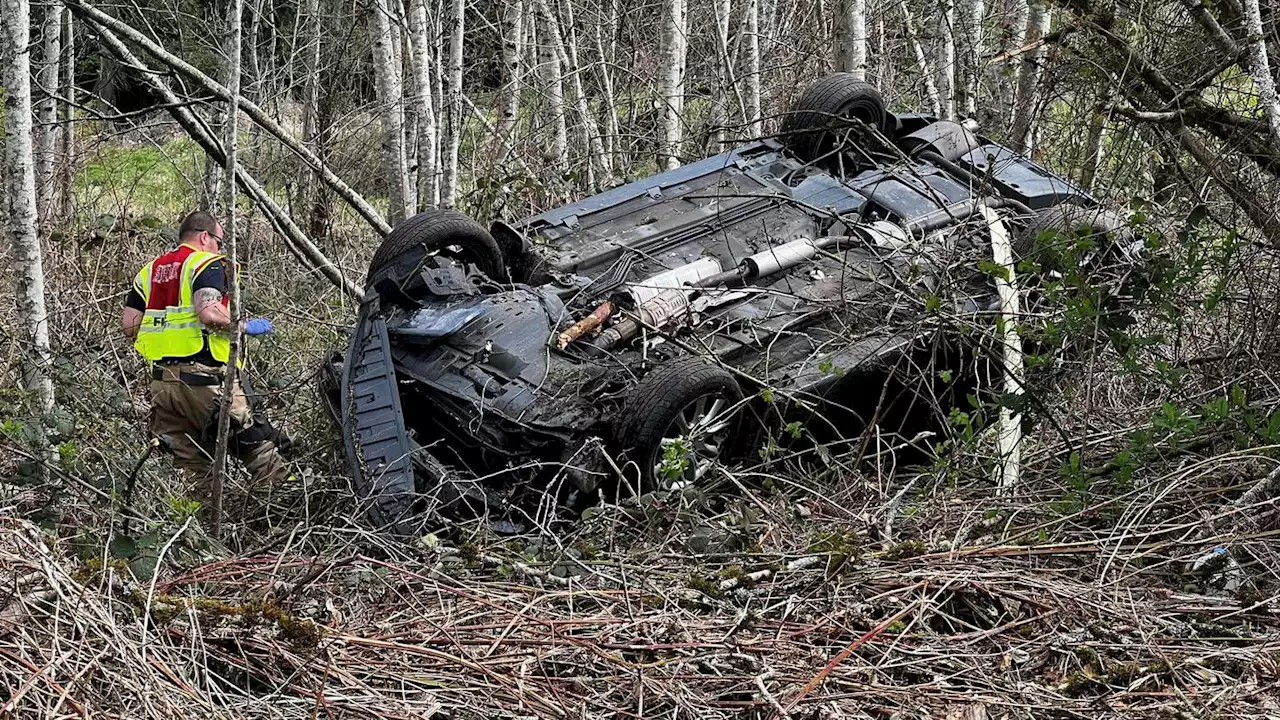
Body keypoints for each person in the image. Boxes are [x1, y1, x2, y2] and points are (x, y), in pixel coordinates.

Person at [121, 210, 292, 516]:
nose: (220, 247)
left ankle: (201, 537)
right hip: (206, 382)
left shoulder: (149, 271)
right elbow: (210, 313)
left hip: (163, 385)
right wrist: (244, 325)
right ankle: (282, 517)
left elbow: (130, 327)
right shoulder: (209, 264)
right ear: (204, 237)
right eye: (219, 240)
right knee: (257, 447)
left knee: (191, 467)